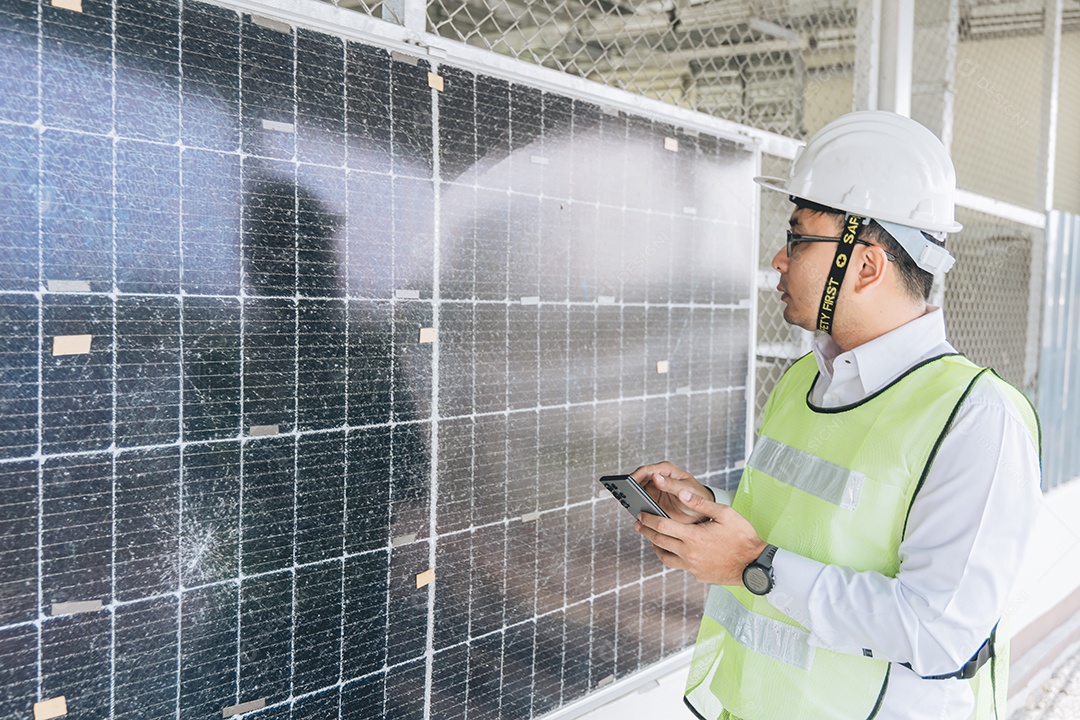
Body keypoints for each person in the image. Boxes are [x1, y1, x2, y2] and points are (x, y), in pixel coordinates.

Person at [631, 110, 1042, 720]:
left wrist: (753, 566)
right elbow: (808, 520)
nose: (778, 257)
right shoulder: (805, 378)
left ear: (867, 265)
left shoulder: (977, 418)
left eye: (798, 238)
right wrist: (708, 510)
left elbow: (939, 633)